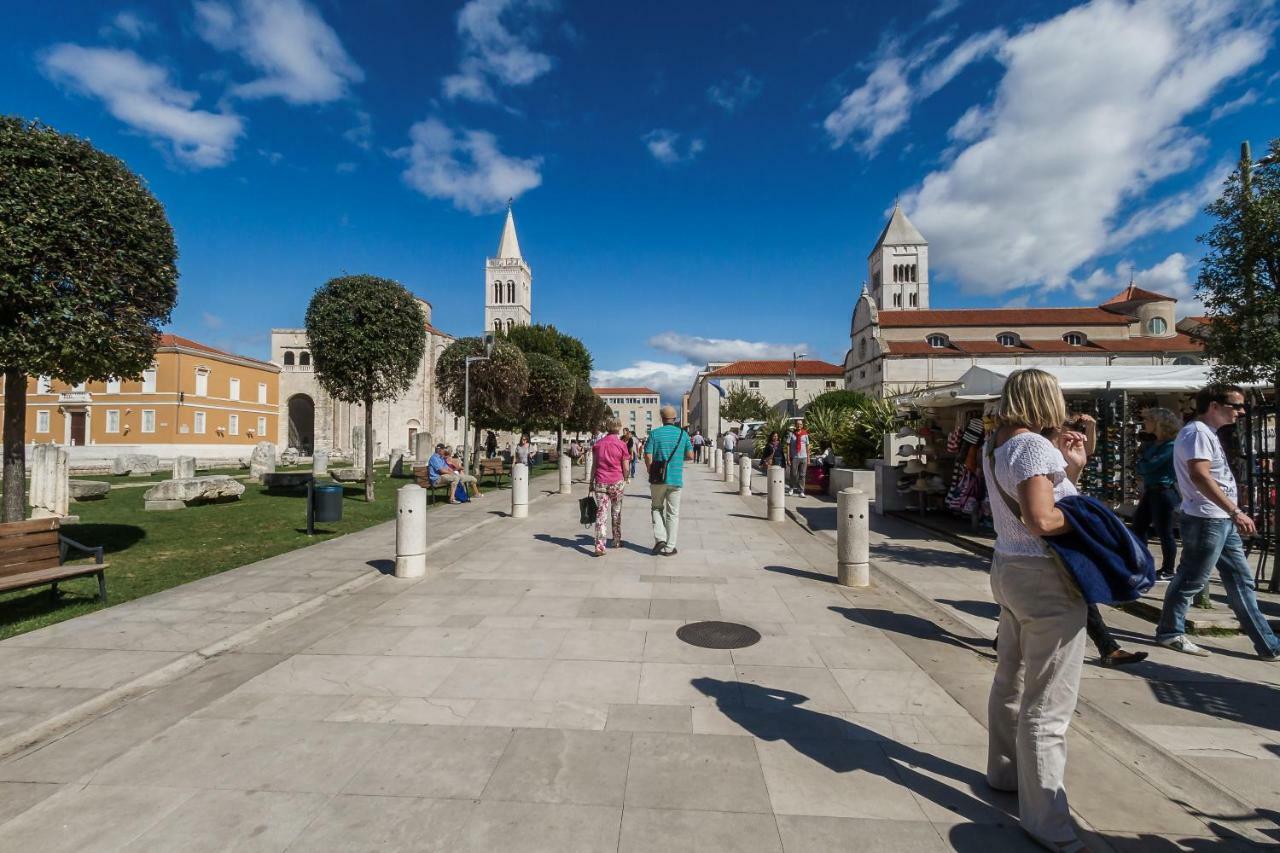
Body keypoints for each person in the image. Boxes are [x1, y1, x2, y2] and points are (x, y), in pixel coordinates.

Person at [983, 368, 1089, 850]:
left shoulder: (997, 444)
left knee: (1011, 677)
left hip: (1007, 566)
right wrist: (1094, 521)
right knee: (1048, 702)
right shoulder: (1033, 446)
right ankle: (1048, 821)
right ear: (1047, 399)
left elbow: (1032, 503)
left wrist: (1072, 471)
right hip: (1043, 577)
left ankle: (1005, 772)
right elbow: (1042, 518)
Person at [1156, 384, 1279, 660]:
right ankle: (1170, 632)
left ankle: (1268, 644)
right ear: (1213, 406)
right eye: (1235, 405)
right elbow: (1200, 476)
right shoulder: (1197, 433)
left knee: (1240, 581)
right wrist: (1235, 511)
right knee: (1192, 578)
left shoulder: (1204, 433)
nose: (1241, 411)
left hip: (1217, 518)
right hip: (1207, 518)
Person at [1133, 408, 1181, 581]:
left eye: (1149, 420)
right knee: (1138, 527)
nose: (1146, 423)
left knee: (1164, 531)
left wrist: (1143, 464)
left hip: (1163, 491)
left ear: (1159, 423)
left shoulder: (1171, 445)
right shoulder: (1154, 444)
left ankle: (1168, 569)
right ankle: (1143, 563)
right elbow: (1141, 466)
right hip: (1151, 490)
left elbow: (1147, 466)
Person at [644, 405, 693, 556]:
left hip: (658, 478)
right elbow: (691, 456)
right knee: (673, 513)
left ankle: (660, 538)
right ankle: (670, 547)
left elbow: (647, 454)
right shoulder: (682, 434)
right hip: (676, 478)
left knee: (656, 507)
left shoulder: (654, 434)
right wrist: (678, 458)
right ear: (675, 418)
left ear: (662, 418)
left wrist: (650, 469)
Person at [590, 418, 630, 556]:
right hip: (616, 482)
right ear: (619, 428)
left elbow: (594, 465)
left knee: (601, 513)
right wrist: (626, 478)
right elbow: (625, 466)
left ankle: (600, 546)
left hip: (600, 481)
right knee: (616, 511)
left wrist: (591, 482)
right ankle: (616, 540)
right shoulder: (621, 445)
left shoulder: (598, 444)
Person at [788, 420, 810, 497]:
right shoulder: (791, 434)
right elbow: (788, 446)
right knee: (793, 474)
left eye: (800, 424)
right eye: (797, 424)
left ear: (802, 425)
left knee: (802, 475)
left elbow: (807, 446)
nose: (799, 425)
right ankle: (791, 488)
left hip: (804, 457)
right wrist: (788, 457)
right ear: (795, 425)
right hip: (794, 457)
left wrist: (808, 458)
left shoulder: (805, 434)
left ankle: (801, 491)